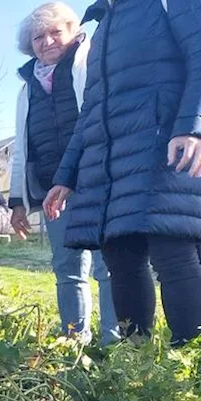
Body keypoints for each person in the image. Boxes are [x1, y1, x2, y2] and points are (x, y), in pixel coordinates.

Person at [44, 0, 201, 345]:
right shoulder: (103, 27)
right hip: (110, 166)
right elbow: (91, 109)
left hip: (163, 143)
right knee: (121, 257)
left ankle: (190, 357)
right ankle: (136, 363)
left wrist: (193, 127)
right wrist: (65, 175)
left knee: (170, 248)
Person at [10, 2, 118, 345]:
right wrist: (18, 201)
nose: (48, 41)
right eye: (39, 36)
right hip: (52, 190)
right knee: (67, 268)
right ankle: (74, 340)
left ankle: (115, 342)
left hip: (97, 182)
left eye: (56, 32)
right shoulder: (26, 89)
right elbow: (21, 148)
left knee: (108, 266)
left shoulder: (91, 64)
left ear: (73, 32)